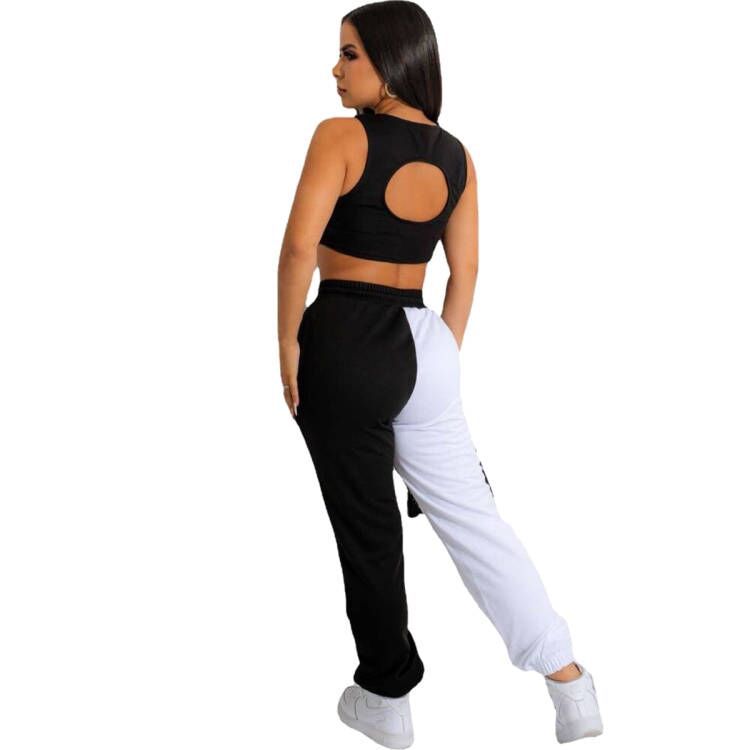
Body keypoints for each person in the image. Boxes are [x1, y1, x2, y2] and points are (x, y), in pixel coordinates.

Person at [277, 3, 603, 747]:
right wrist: (439, 357)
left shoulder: (339, 137)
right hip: (425, 339)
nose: (336, 70)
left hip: (346, 337)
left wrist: (287, 342)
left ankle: (386, 697)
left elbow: (298, 250)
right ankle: (570, 683)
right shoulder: (458, 155)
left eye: (350, 54)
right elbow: (467, 269)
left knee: (368, 529)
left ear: (393, 61)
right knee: (474, 519)